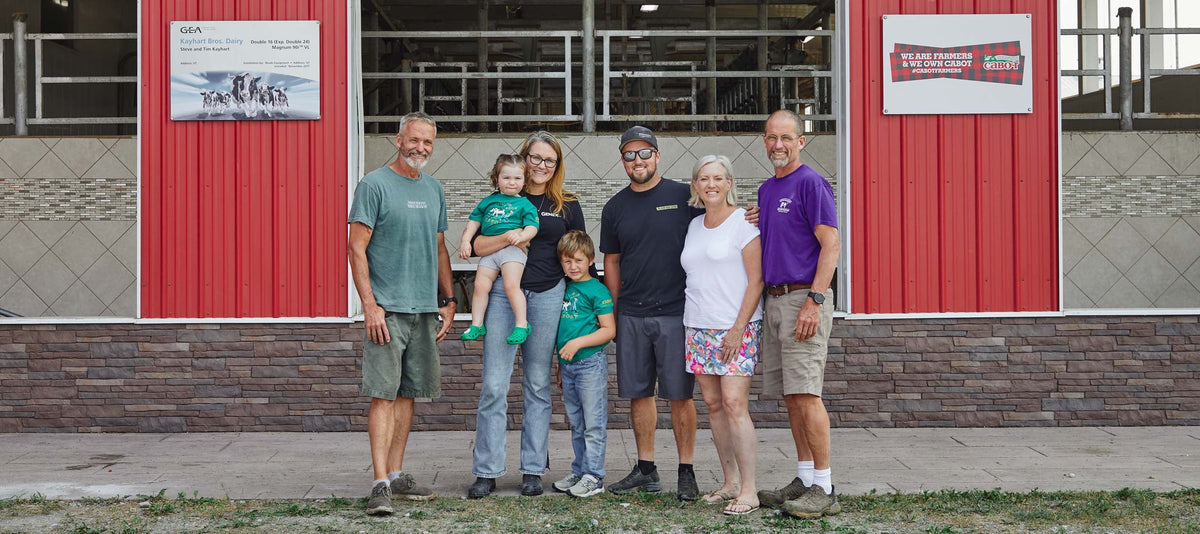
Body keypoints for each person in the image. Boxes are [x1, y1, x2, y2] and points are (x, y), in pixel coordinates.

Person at [467, 131, 588, 499]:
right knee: (494, 385)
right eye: (535, 158)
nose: (541, 166)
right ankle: (487, 470)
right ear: (522, 159)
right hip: (505, 296)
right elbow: (475, 247)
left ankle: (533, 469)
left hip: (549, 295)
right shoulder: (501, 199)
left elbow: (580, 259)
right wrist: (508, 238)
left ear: (557, 165)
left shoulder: (567, 205)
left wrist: (585, 309)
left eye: (549, 160)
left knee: (537, 385)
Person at [347, 111, 455, 515]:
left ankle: (396, 474)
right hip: (388, 310)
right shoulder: (374, 185)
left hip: (425, 309)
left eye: (427, 142)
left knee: (409, 394)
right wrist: (370, 305)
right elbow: (355, 247)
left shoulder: (434, 189)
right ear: (398, 139)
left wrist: (448, 299)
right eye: (414, 140)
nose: (420, 148)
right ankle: (378, 483)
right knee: (384, 395)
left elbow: (440, 246)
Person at [600, 125, 704, 501]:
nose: (637, 160)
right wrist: (611, 312)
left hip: (677, 313)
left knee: (680, 395)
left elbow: (720, 215)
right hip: (630, 314)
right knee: (638, 394)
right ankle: (646, 469)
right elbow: (611, 262)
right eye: (630, 155)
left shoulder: (683, 196)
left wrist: (752, 216)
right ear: (623, 161)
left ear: (658, 156)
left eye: (645, 153)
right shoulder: (615, 207)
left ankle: (686, 471)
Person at [754, 110, 842, 519]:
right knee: (792, 396)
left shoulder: (811, 183)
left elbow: (832, 246)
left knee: (807, 395)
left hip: (803, 300)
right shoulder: (768, 190)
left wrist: (816, 300)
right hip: (775, 301)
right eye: (772, 137)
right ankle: (805, 478)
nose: (778, 145)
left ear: (801, 141)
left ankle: (824, 486)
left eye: (786, 137)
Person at [680, 155, 764, 516]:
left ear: (730, 182)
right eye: (703, 178)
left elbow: (756, 281)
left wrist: (737, 329)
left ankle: (749, 490)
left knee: (734, 405)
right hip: (697, 326)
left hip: (736, 328)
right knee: (713, 406)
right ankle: (729, 481)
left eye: (717, 178)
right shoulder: (695, 224)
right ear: (695, 185)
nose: (710, 184)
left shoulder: (744, 224)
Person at [552, 230, 616, 498]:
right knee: (577, 423)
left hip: (590, 363)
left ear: (590, 260)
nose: (573, 267)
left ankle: (594, 476)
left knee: (593, 423)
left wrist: (578, 344)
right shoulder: (563, 287)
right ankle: (579, 470)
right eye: (567, 261)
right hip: (568, 367)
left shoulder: (597, 290)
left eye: (578, 260)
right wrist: (560, 364)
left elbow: (608, 330)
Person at [458, 154, 540, 345]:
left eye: (517, 178)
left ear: (525, 180)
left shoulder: (525, 204)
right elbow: (474, 222)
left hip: (512, 251)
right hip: (490, 252)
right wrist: (465, 241)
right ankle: (477, 323)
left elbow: (532, 227)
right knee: (480, 285)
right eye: (506, 177)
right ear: (496, 178)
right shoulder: (488, 201)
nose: (512, 183)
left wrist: (521, 236)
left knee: (511, 285)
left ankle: (521, 324)